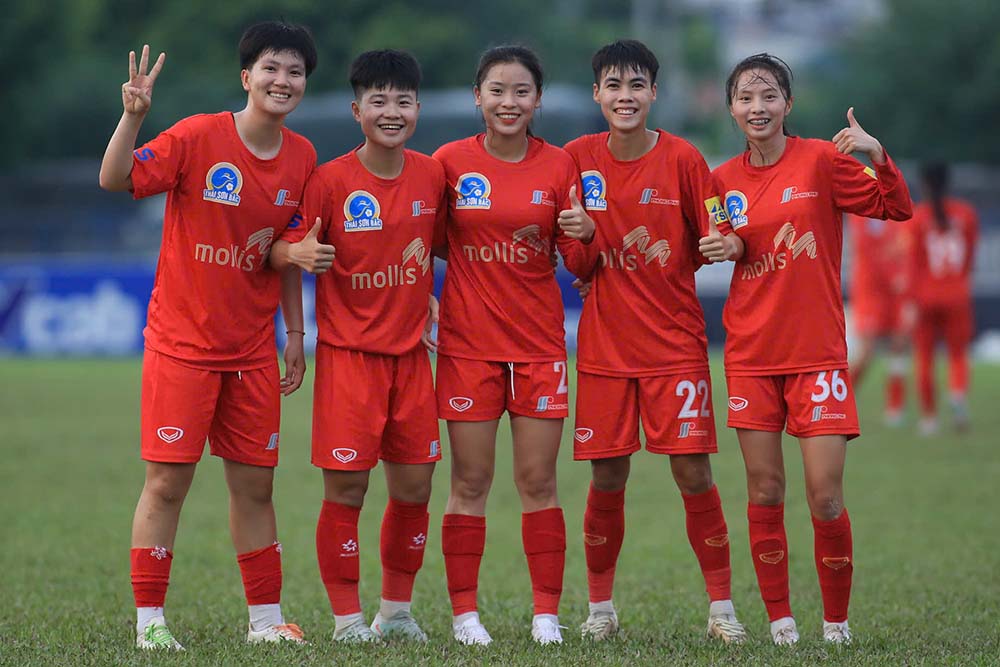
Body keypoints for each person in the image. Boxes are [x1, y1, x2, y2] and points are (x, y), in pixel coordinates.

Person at [98, 22, 319, 649]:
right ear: (246, 76)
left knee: (256, 485)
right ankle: (150, 624)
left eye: (295, 71)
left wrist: (295, 332)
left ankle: (266, 623)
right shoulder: (198, 136)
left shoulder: (302, 158)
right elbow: (116, 180)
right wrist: (132, 118)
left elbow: (285, 253)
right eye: (271, 68)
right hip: (182, 346)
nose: (283, 81)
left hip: (252, 351)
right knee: (167, 483)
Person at [708, 53, 912, 645]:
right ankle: (781, 622)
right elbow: (716, 243)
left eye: (769, 95)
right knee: (765, 491)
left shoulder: (822, 160)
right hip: (749, 356)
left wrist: (876, 155)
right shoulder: (720, 181)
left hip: (818, 354)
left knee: (825, 497)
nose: (758, 107)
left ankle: (837, 625)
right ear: (731, 108)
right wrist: (723, 249)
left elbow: (895, 207)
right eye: (746, 97)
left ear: (788, 105)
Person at [563, 40, 747, 644]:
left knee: (693, 473)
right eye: (613, 86)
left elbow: (718, 229)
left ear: (654, 94)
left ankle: (722, 610)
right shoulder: (576, 160)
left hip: (675, 349)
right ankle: (599, 611)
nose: (625, 97)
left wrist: (722, 241)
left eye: (636, 85)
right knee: (607, 478)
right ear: (597, 94)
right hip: (605, 352)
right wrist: (587, 237)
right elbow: (575, 262)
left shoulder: (685, 160)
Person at [269, 49, 445, 643]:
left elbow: (460, 244)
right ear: (356, 110)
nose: (391, 112)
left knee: (415, 488)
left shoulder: (432, 175)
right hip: (349, 361)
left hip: (413, 362)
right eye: (378, 101)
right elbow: (284, 253)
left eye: (402, 101)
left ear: (417, 108)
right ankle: (348, 620)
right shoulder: (329, 181)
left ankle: (396, 612)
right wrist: (297, 276)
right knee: (347, 489)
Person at [433, 45, 596, 646]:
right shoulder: (448, 163)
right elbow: (423, 240)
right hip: (467, 348)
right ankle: (465, 616)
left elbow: (582, 262)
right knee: (469, 483)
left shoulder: (559, 166)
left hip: (538, 347)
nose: (509, 102)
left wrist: (586, 234)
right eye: (497, 90)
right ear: (478, 97)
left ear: (537, 100)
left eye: (521, 91)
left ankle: (546, 616)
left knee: (539, 482)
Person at [906, 163, 979, 435]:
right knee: (958, 354)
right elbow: (970, 253)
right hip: (957, 293)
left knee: (924, 356)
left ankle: (929, 418)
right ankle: (957, 393)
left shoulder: (918, 217)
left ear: (924, 184)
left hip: (925, 296)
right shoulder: (966, 213)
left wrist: (910, 300)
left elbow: (912, 263)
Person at [846, 212, 913, 425]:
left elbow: (907, 245)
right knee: (867, 350)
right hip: (870, 289)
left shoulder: (899, 207)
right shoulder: (860, 212)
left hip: (896, 289)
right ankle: (840, 400)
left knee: (899, 344)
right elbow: (866, 248)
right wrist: (891, 269)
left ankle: (895, 408)